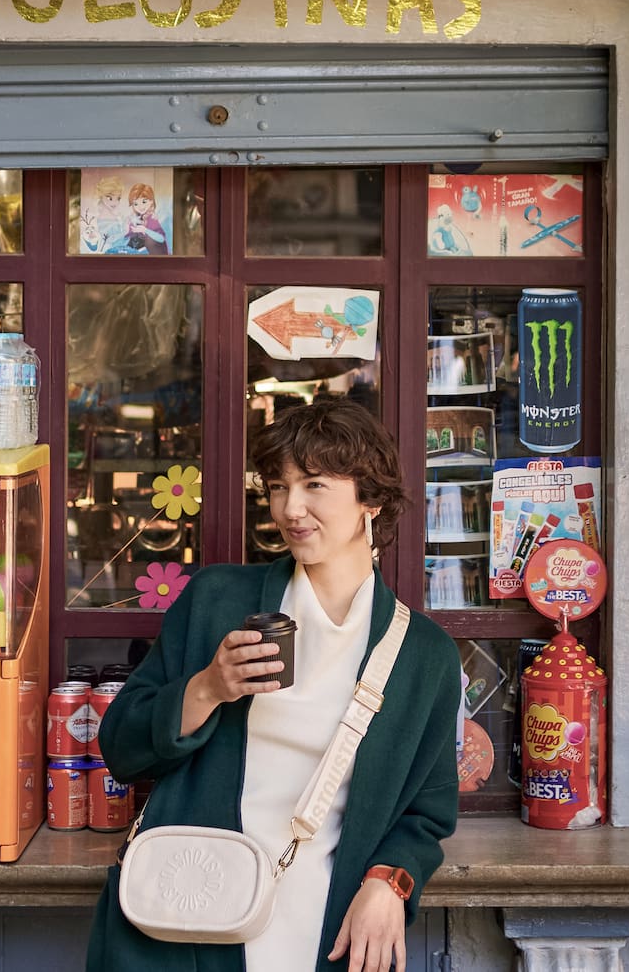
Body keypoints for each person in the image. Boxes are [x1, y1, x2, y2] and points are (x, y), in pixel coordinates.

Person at [89, 401, 461, 972]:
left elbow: (428, 812)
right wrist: (208, 688)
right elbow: (121, 748)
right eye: (279, 487)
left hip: (328, 921)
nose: (291, 509)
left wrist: (390, 882)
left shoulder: (423, 654)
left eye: (314, 485)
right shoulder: (217, 600)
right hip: (191, 906)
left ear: (372, 499)